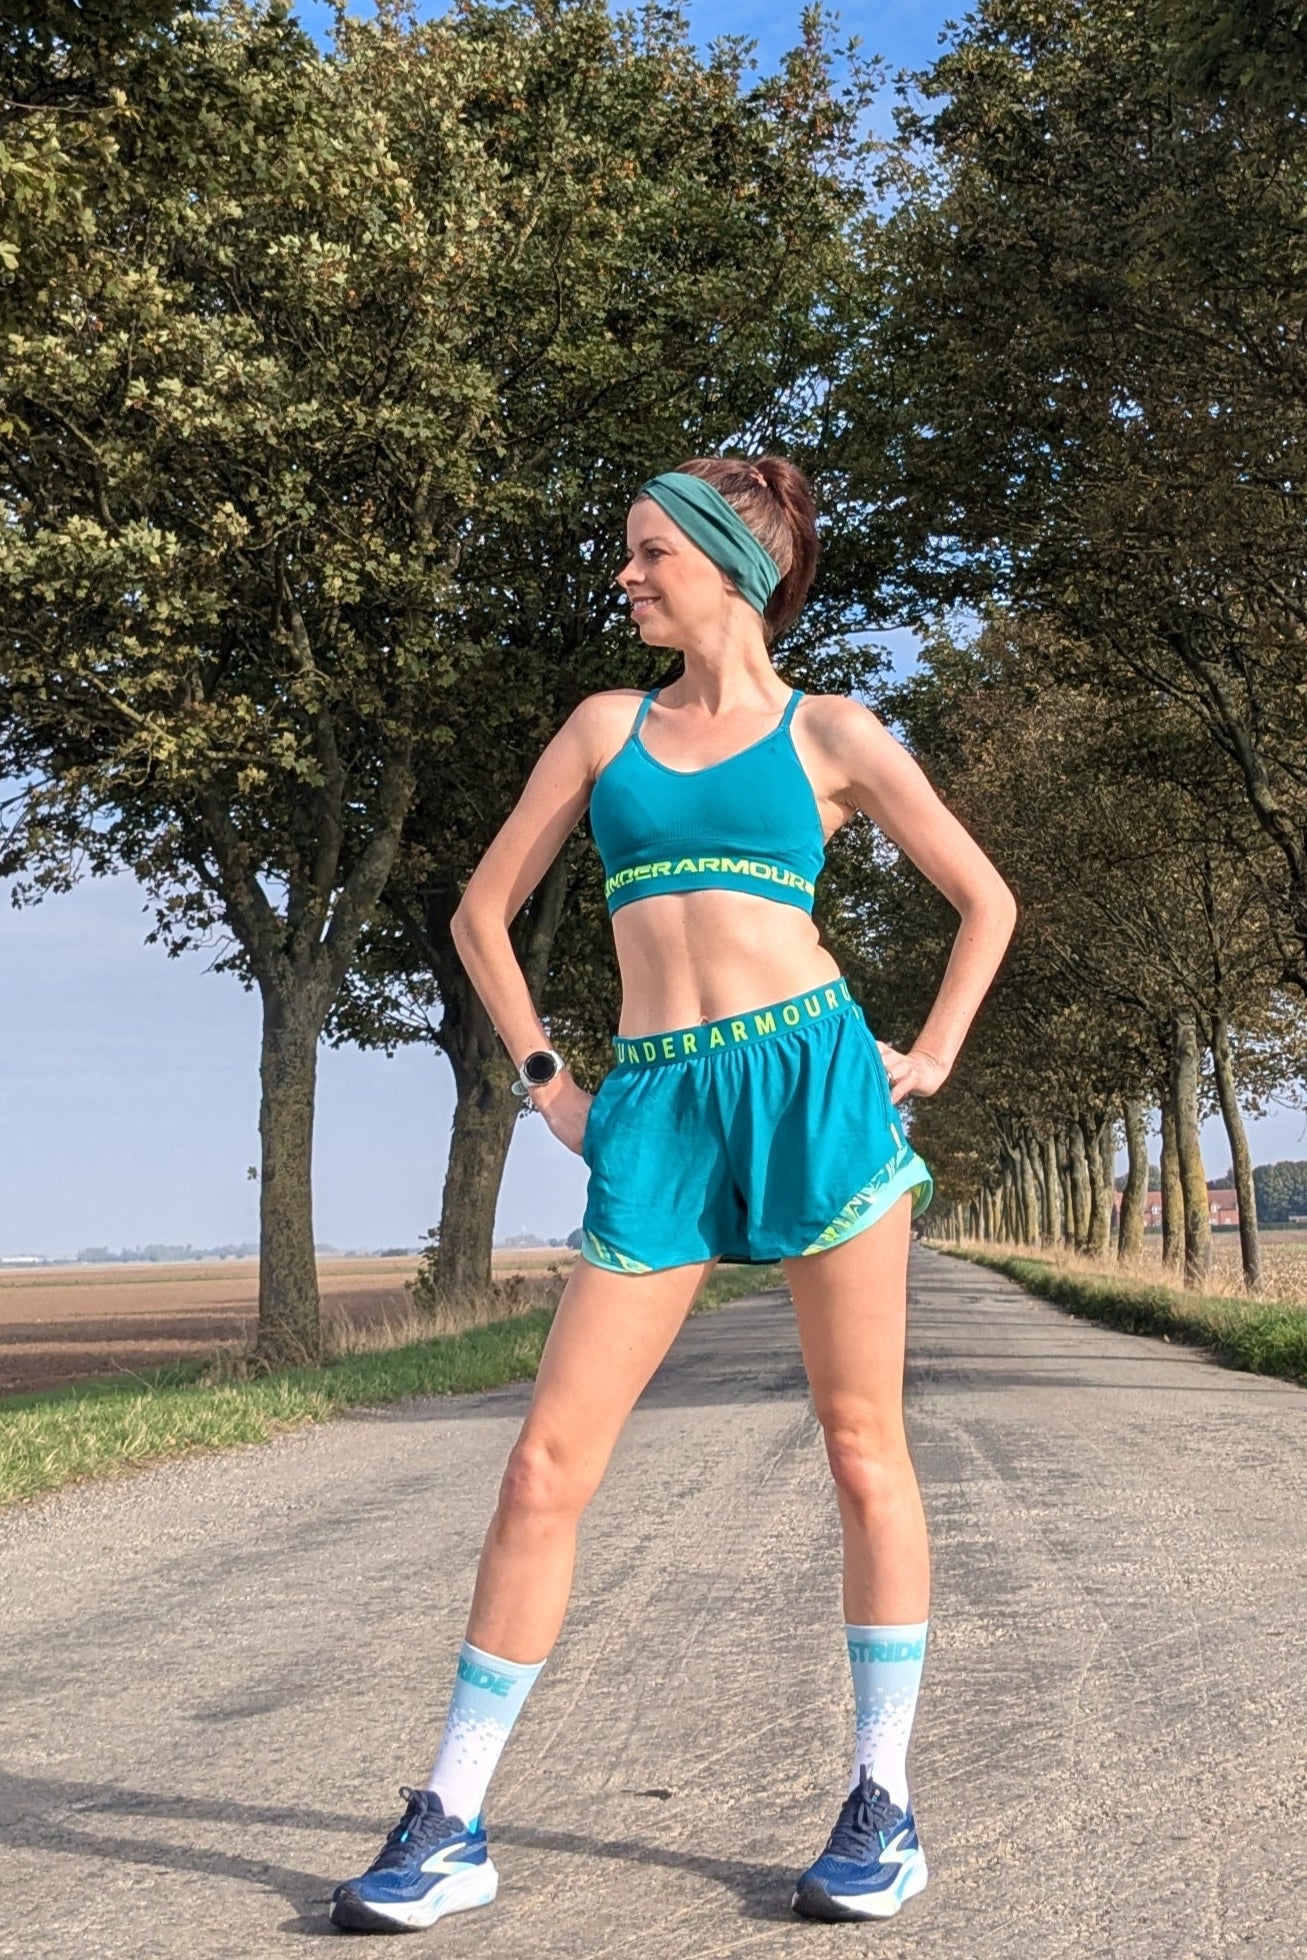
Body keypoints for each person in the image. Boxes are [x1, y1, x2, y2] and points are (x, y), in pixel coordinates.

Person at [330, 455, 1018, 1933]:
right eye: (626, 553)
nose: (626, 577)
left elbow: (986, 898)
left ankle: (882, 1802)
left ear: (729, 566)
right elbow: (479, 913)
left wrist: (933, 1057)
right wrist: (549, 1082)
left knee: (858, 1444)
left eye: (648, 553)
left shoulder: (834, 733)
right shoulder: (604, 729)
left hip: (816, 1087)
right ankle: (449, 1816)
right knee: (543, 1468)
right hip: (655, 1108)